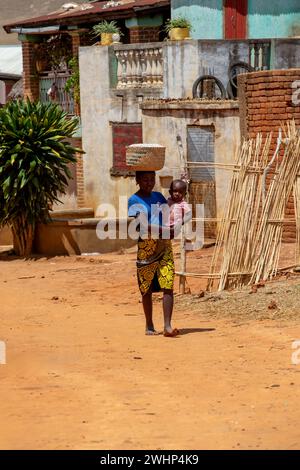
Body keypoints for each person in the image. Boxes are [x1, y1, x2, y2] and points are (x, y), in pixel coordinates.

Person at [128, 171, 179, 337]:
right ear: (137, 180)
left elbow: (168, 216)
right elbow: (141, 225)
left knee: (168, 283)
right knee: (146, 288)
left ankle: (167, 326)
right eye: (145, 179)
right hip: (146, 247)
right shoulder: (133, 200)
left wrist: (175, 225)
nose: (149, 183)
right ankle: (149, 325)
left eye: (152, 179)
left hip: (164, 245)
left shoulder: (159, 197)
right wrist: (164, 230)